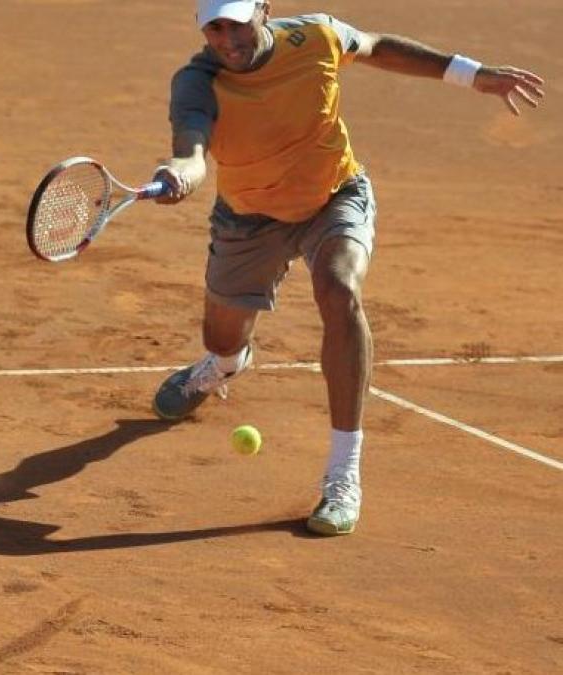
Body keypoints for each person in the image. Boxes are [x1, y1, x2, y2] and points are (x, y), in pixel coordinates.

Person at [150, 1, 545, 535]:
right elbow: (192, 145)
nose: (227, 38)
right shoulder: (196, 82)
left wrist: (471, 75)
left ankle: (343, 474)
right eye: (214, 27)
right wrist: (183, 170)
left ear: (263, 11)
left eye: (237, 22)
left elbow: (377, 45)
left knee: (339, 289)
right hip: (249, 221)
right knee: (221, 338)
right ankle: (223, 364)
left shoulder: (316, 38)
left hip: (333, 197)